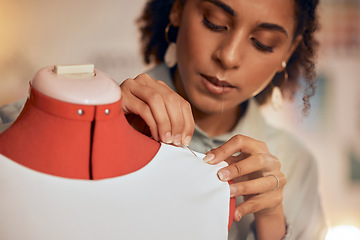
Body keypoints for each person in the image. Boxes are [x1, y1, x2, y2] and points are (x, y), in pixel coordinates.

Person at [120, 0, 328, 239]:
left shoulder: (298, 165)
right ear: (178, 8)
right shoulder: (106, 111)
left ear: (288, 51)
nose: (228, 57)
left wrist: (271, 224)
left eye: (263, 43)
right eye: (215, 23)